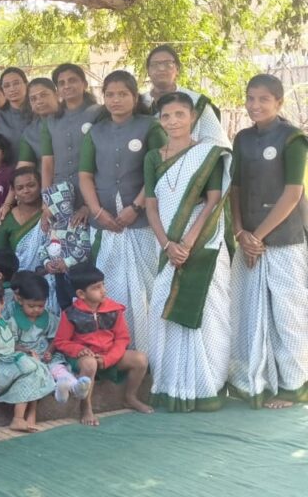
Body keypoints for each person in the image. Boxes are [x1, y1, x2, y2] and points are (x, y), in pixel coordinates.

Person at [144, 91, 232, 412]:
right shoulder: (153, 157)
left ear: (193, 117)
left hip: (203, 243)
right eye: (166, 116)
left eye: (180, 114)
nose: (173, 121)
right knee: (163, 307)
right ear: (160, 120)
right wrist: (168, 245)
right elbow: (151, 206)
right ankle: (170, 385)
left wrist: (188, 243)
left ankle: (206, 386)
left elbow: (213, 201)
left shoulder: (208, 154)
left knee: (207, 313)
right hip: (167, 245)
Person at [229, 74, 308, 408]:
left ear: (279, 102)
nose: (255, 105)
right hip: (248, 239)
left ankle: (295, 385)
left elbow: (293, 193)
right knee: (251, 313)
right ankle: (257, 382)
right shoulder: (242, 138)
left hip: (284, 239)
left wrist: (256, 236)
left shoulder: (293, 139)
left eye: (263, 99)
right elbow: (235, 188)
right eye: (250, 98)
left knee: (288, 314)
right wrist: (239, 232)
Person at [78, 70, 164, 349]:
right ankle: (114, 349)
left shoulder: (150, 127)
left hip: (141, 222)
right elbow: (85, 176)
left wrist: (136, 207)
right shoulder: (96, 132)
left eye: (123, 94)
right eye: (110, 94)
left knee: (146, 288)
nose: (116, 100)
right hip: (104, 222)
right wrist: (97, 212)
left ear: (135, 97)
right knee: (107, 284)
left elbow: (159, 170)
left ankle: (149, 350)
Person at [54, 263, 153, 426]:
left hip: (109, 355)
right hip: (84, 358)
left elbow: (122, 339)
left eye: (103, 285)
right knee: (90, 364)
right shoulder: (70, 314)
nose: (103, 291)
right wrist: (80, 350)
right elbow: (61, 341)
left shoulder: (114, 310)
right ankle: (86, 407)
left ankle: (130, 397)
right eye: (96, 288)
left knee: (140, 359)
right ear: (81, 294)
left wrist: (108, 359)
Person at [0, 278, 54, 432]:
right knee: (31, 370)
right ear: (2, 302)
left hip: (5, 361)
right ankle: (18, 418)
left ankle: (30, 414)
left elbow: (7, 344)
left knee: (36, 366)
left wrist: (25, 350)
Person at [10, 271, 89, 404]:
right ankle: (58, 389)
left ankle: (73, 385)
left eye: (40, 306)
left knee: (57, 368)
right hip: (27, 357)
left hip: (46, 355)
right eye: (31, 306)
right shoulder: (14, 321)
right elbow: (10, 343)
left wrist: (50, 351)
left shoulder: (49, 318)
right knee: (36, 372)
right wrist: (25, 351)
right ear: (20, 300)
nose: (36, 309)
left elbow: (55, 338)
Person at [40, 64, 103, 226]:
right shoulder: (51, 120)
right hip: (59, 196)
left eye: (72, 80)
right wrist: (47, 202)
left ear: (84, 84)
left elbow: (105, 160)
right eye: (61, 83)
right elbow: (47, 163)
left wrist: (89, 205)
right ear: (57, 90)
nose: (67, 86)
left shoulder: (99, 113)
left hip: (94, 194)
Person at [142, 45, 229, 147]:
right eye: (155, 64)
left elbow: (218, 145)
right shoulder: (139, 103)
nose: (161, 68)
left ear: (177, 69)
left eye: (168, 64)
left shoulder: (197, 102)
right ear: (148, 71)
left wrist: (189, 154)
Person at [16, 78, 58, 169]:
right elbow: (23, 166)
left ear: (57, 95)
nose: (39, 101)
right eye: (33, 99)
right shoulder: (30, 133)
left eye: (43, 95)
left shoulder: (72, 119)